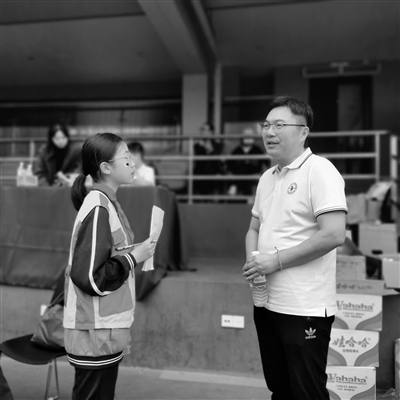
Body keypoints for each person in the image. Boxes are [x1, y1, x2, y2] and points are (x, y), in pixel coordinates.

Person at [242, 97, 348, 400]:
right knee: (279, 388)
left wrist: (274, 261)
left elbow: (333, 234)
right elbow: (254, 229)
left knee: (307, 392)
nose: (269, 132)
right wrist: (254, 263)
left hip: (304, 307)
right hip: (266, 303)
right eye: (266, 125)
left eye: (279, 125)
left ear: (303, 132)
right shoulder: (267, 177)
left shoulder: (320, 170)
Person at [64, 132, 156, 400]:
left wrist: (134, 253)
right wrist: (134, 257)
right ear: (105, 168)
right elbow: (91, 276)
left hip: (103, 331)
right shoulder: (98, 206)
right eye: (126, 159)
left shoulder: (106, 202)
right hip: (94, 332)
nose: (133, 163)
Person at [227, 127, 266, 197]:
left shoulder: (257, 149)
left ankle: (235, 185)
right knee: (245, 175)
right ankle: (248, 198)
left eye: (250, 135)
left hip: (253, 171)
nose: (248, 138)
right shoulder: (238, 149)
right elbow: (230, 163)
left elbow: (263, 162)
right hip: (239, 172)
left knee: (245, 170)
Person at [193, 122, 224, 196]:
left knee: (218, 179)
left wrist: (210, 149)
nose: (204, 132)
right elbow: (199, 162)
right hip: (201, 173)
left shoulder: (218, 145)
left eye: (207, 130)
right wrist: (202, 147)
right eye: (203, 129)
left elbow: (218, 160)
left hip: (214, 173)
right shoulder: (197, 146)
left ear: (211, 132)